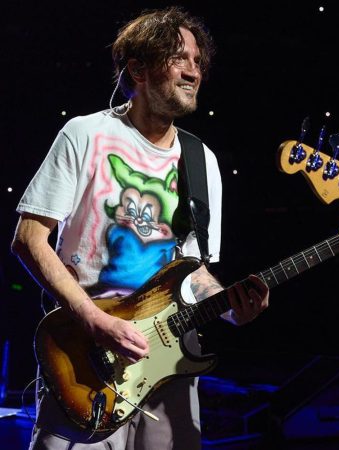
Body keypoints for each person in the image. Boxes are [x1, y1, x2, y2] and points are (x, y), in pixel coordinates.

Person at [11, 7, 269, 449]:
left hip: (169, 363)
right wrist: (94, 321)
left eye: (198, 62)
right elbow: (29, 239)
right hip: (85, 359)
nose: (194, 71)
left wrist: (230, 306)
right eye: (180, 59)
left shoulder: (201, 161)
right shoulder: (85, 134)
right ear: (138, 68)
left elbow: (195, 270)